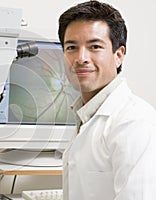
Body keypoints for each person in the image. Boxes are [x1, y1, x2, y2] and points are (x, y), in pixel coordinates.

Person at [58, 1, 156, 200]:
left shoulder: (135, 122)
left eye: (95, 46)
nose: (81, 58)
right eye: (71, 47)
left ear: (118, 55)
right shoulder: (87, 114)